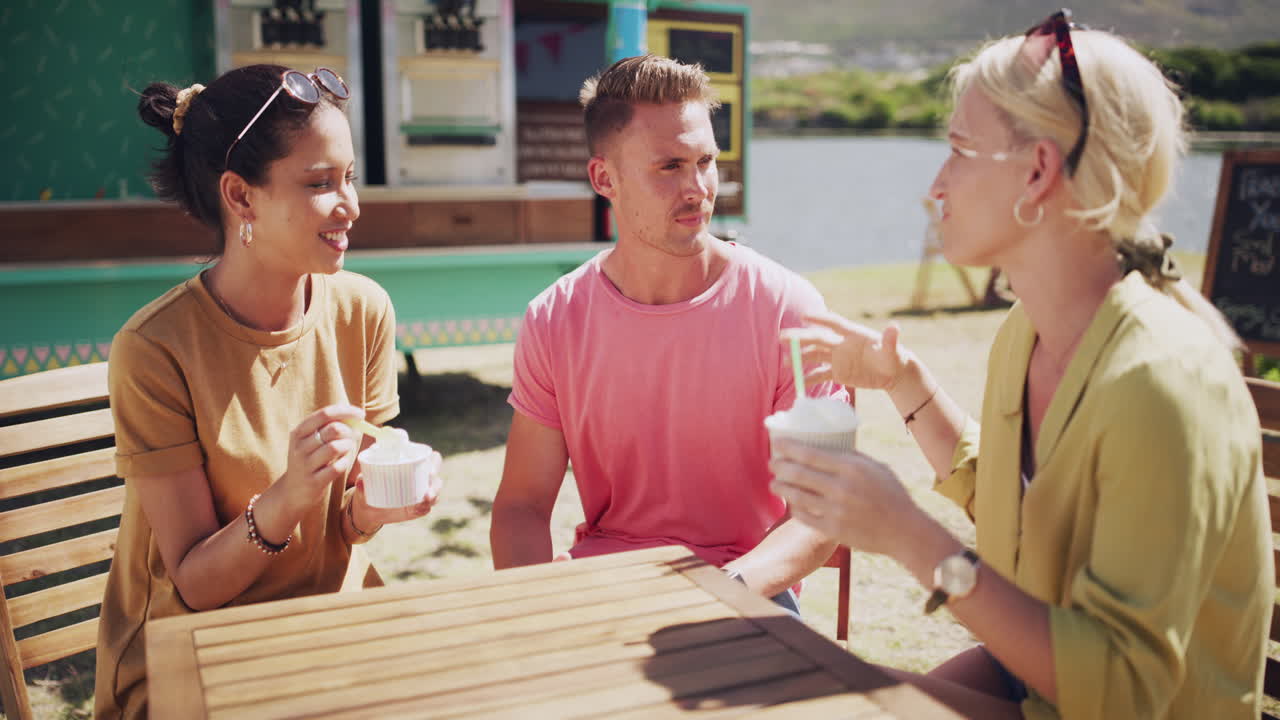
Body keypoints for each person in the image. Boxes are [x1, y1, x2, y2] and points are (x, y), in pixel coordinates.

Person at [771, 13, 1270, 720]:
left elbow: (1123, 696)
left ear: (1037, 172)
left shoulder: (1162, 381)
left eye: (959, 149)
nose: (936, 185)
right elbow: (1009, 504)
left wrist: (911, 537)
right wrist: (903, 381)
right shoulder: (1026, 332)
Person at [95, 65, 441, 719]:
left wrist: (375, 509)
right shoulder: (155, 351)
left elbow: (344, 525)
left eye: (349, 177)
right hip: (191, 660)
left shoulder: (363, 309)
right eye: (319, 184)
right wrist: (284, 500)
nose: (350, 205)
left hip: (330, 641)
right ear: (242, 197)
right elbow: (194, 585)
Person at [489, 54, 848, 612]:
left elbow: (822, 513)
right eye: (669, 166)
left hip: (744, 587)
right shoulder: (554, 318)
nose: (699, 188)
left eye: (706, 161)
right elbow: (522, 506)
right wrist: (538, 613)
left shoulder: (787, 309)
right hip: (602, 585)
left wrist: (722, 591)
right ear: (604, 178)